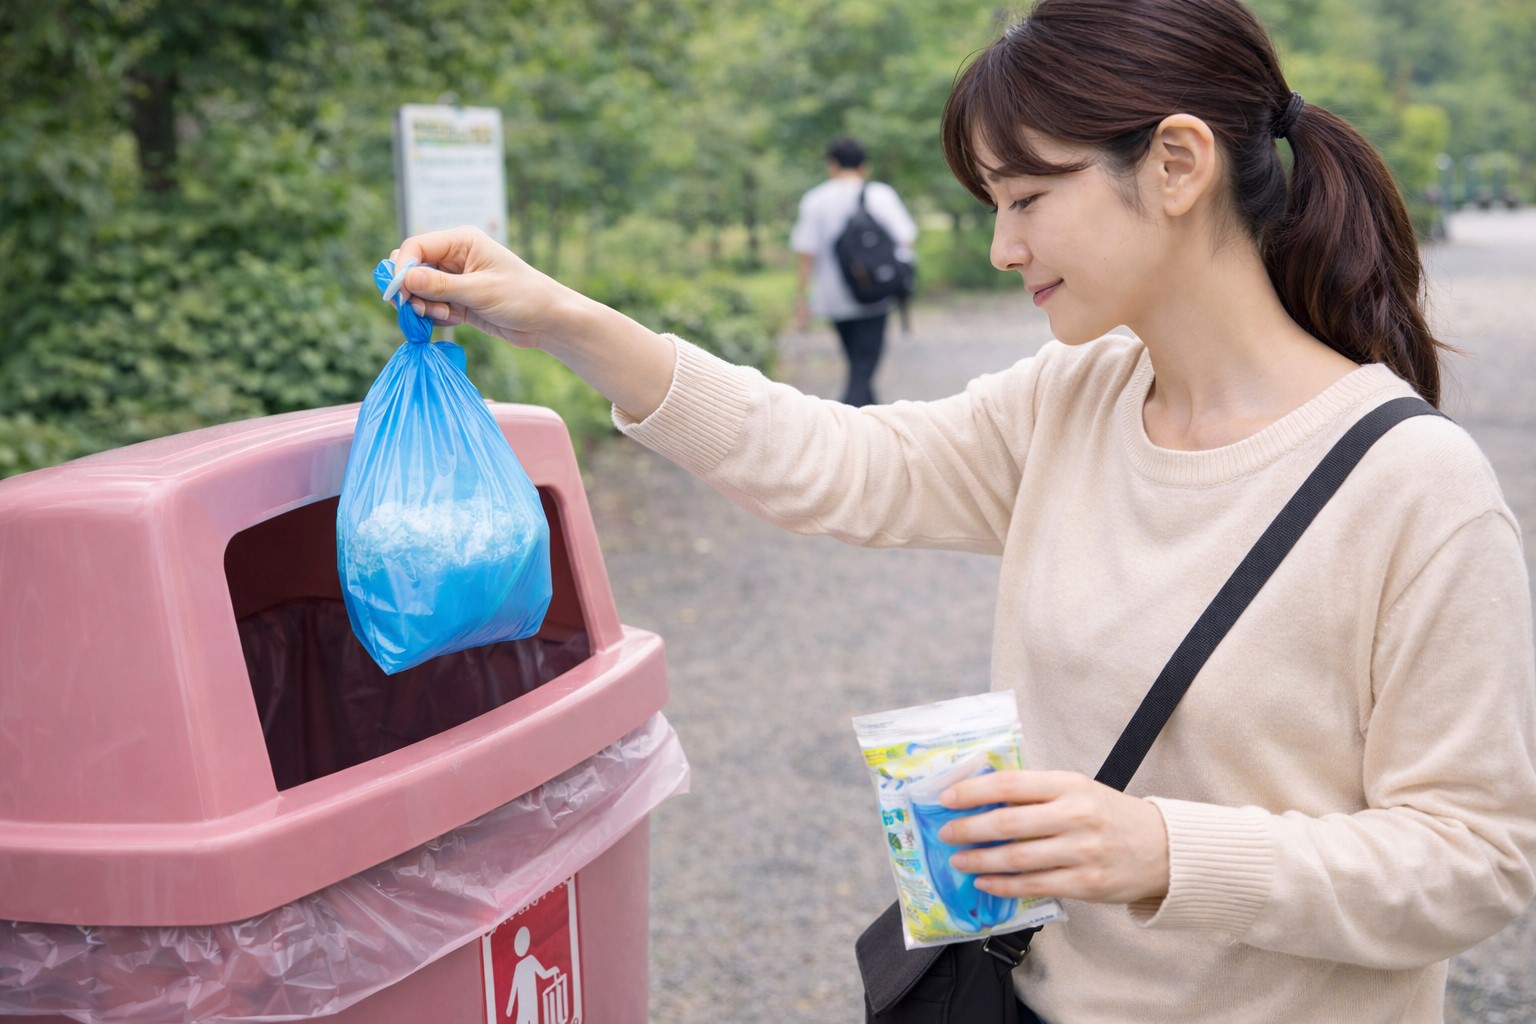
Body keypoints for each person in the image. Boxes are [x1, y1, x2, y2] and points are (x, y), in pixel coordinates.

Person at [386, 0, 1536, 1019]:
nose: (1002, 246)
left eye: (1029, 196)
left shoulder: (1414, 488)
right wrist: (563, 318)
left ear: (1178, 163)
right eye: (995, 203)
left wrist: (1162, 849)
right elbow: (838, 460)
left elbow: (1476, 859)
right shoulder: (1078, 397)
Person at [791, 136, 918, 406]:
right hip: (875, 293)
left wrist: (801, 298)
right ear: (864, 166)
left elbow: (805, 255)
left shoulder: (814, 200)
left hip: (833, 298)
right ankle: (847, 422)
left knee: (858, 364)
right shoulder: (880, 195)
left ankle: (870, 423)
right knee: (863, 369)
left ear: (832, 164)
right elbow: (906, 238)